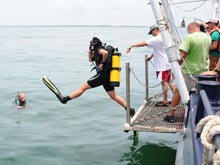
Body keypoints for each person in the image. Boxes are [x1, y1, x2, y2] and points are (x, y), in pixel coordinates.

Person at [56, 37, 135, 116]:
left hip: (102, 75)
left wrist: (102, 64)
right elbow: (90, 60)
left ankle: (65, 99)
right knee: (114, 96)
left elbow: (105, 53)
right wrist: (90, 51)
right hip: (108, 76)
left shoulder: (99, 50)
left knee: (82, 88)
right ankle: (129, 109)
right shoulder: (97, 52)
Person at [164, 22, 211, 123]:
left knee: (178, 92)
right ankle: (200, 114)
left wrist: (176, 67)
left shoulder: (189, 38)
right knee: (199, 93)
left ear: (190, 28)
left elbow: (182, 54)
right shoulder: (208, 37)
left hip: (190, 71)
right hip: (204, 71)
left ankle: (170, 115)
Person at [126, 25, 176, 106]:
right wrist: (151, 56)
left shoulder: (157, 38)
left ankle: (166, 100)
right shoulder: (164, 37)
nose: (152, 34)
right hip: (166, 63)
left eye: (152, 32)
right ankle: (175, 97)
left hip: (162, 65)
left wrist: (131, 46)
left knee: (164, 82)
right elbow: (159, 49)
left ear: (155, 30)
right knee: (169, 81)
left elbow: (144, 43)